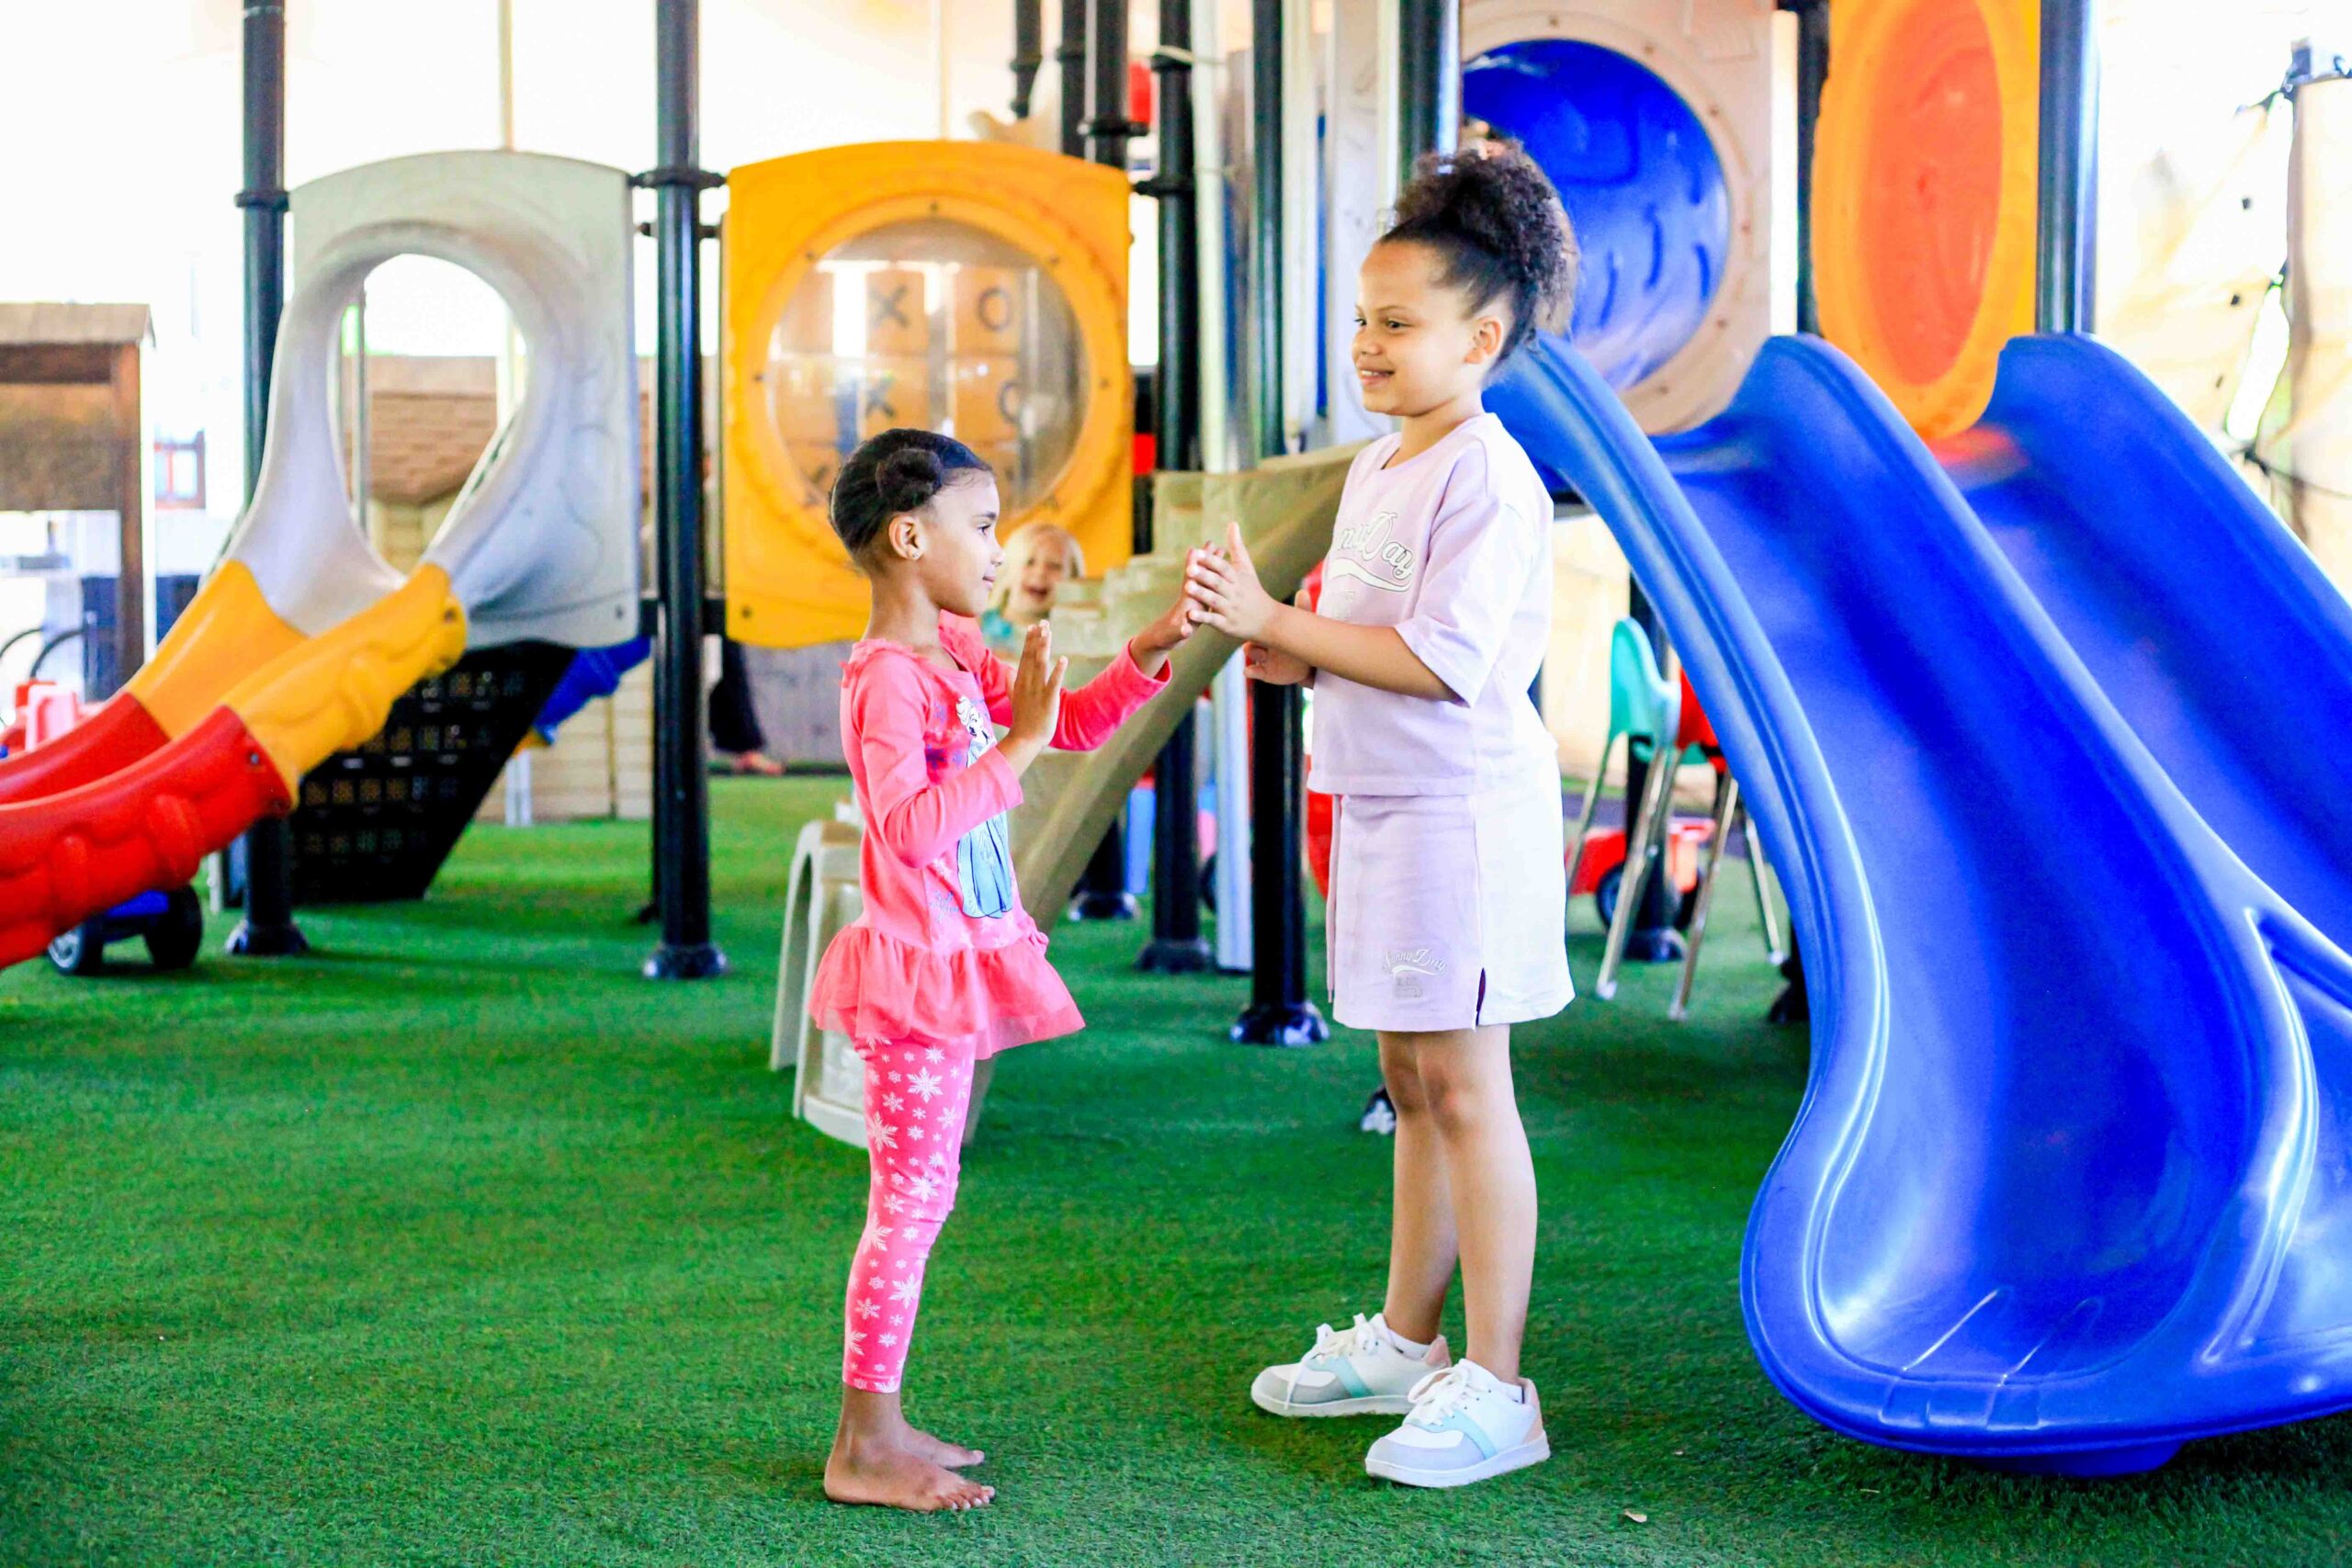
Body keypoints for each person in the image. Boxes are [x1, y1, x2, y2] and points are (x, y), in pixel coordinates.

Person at [1183, 144, 1577, 1489]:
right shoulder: (1381, 467)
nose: (1367, 344)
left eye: (1397, 323)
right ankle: (1410, 1345)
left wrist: (1284, 622)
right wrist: (1288, 649)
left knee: (1466, 1088)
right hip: (1383, 807)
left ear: (1482, 339)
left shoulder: (1489, 474)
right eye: (1362, 318)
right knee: (1408, 1083)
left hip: (1460, 817)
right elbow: (1366, 634)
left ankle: (1500, 1388)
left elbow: (1447, 660)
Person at [809, 428, 1204, 1512]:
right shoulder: (888, 679)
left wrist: (1149, 649)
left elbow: (1063, 726)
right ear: (909, 537)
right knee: (907, 1206)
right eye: (981, 528)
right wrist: (1016, 744)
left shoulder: (952, 649)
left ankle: (880, 1423)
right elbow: (907, 829)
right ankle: (862, 1445)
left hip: (957, 960)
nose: (994, 551)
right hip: (915, 979)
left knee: (921, 1199)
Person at [978, 521, 1085, 659]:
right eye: (1029, 562)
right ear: (1007, 570)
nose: (1040, 572)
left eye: (1054, 566)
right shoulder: (975, 626)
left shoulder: (1077, 638)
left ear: (1073, 581)